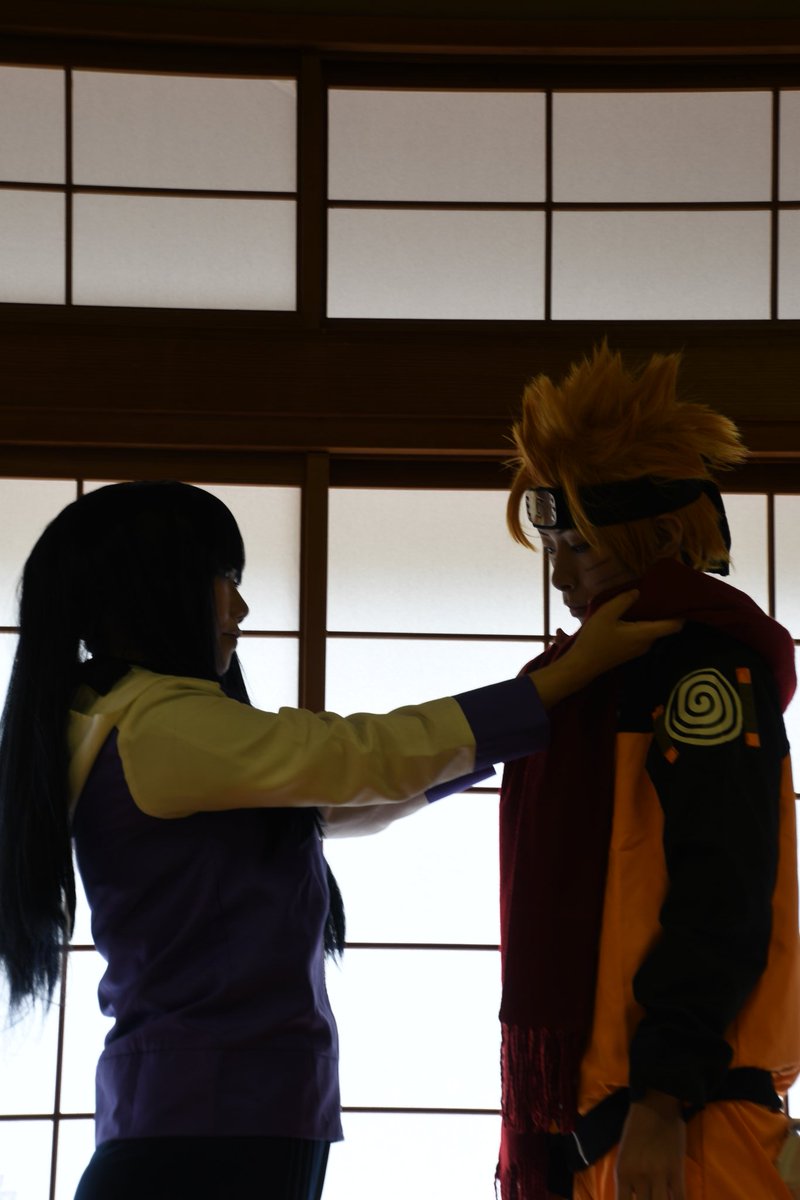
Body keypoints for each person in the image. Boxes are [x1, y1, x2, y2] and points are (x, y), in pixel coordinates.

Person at [0, 479, 679, 1200]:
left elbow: (347, 796)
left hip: (216, 1111)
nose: (240, 608)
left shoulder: (132, 719)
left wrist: (532, 715)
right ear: (152, 589)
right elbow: (361, 757)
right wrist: (563, 680)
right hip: (211, 1113)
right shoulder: (157, 723)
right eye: (222, 579)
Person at [498, 343, 800, 1200]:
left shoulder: (705, 671)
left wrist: (663, 1096)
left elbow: (724, 887)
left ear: (656, 538)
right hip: (611, 1118)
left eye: (580, 546)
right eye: (550, 546)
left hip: (690, 1120)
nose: (560, 574)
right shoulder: (586, 683)